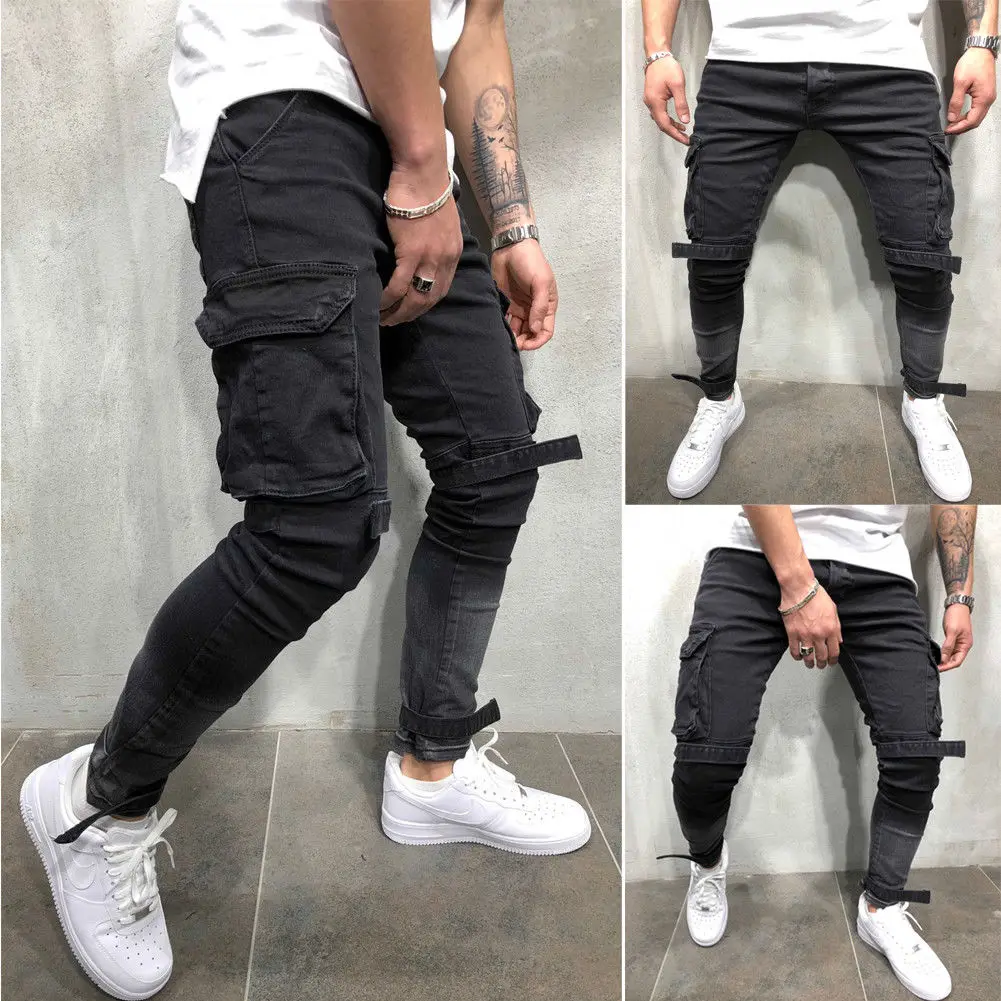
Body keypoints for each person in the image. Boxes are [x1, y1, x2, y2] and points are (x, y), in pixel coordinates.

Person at [19, 3, 592, 998]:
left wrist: (510, 224)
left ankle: (432, 767)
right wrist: (422, 165)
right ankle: (97, 798)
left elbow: (478, 24)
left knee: (493, 464)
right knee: (314, 527)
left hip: (413, 141)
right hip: (287, 105)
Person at [641, 0, 999, 501]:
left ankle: (922, 399)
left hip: (887, 60)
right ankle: (720, 399)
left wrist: (983, 42)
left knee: (924, 258)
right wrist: (657, 50)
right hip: (746, 62)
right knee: (713, 255)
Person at [661, 504, 975, 1001]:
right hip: (754, 556)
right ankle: (707, 862)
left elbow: (954, 499)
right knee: (705, 756)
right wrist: (799, 585)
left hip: (879, 572)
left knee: (916, 753)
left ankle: (881, 906)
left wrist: (959, 595)